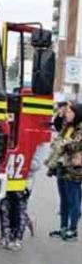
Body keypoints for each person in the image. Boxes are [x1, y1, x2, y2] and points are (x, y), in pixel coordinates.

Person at [44, 102, 82, 240]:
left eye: (70, 112)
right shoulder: (68, 127)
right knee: (64, 200)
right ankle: (63, 228)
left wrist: (63, 143)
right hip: (61, 165)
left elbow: (74, 146)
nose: (67, 114)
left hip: (74, 168)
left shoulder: (79, 128)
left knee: (74, 199)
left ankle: (73, 230)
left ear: (77, 114)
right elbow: (57, 141)